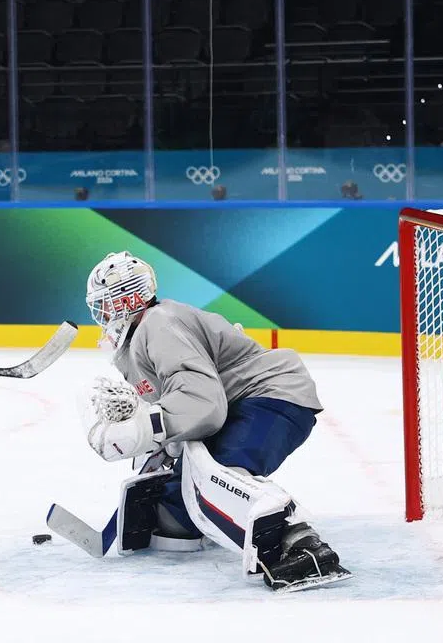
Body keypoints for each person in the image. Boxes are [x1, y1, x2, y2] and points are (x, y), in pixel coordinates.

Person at [81, 251, 350, 591]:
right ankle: (212, 514)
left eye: (105, 304)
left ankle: (301, 544)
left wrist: (139, 430)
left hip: (272, 394)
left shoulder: (158, 323)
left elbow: (203, 406)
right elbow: (185, 407)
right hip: (240, 404)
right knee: (173, 519)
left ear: (126, 299)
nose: (102, 314)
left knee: (215, 477)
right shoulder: (143, 336)